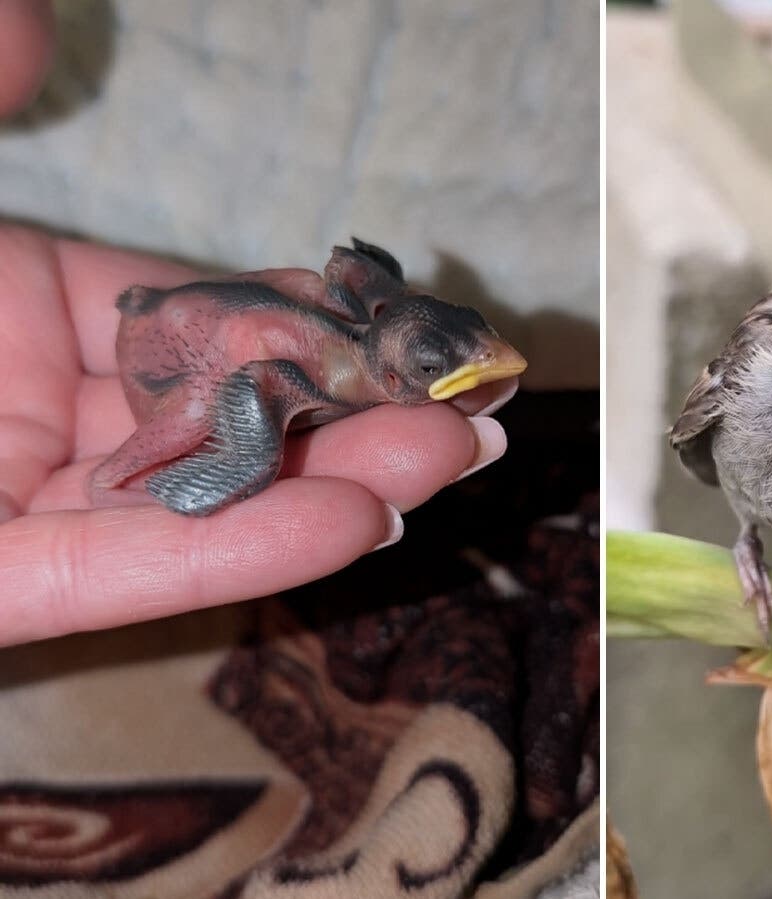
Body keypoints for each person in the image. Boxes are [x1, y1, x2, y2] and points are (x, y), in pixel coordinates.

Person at [0, 0, 514, 645]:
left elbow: (335, 284)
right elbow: (257, 379)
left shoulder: (357, 335)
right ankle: (110, 482)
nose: (489, 358)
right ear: (388, 365)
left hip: (185, 314)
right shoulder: (324, 373)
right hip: (181, 352)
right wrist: (253, 451)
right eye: (433, 366)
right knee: (197, 416)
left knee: (297, 296)